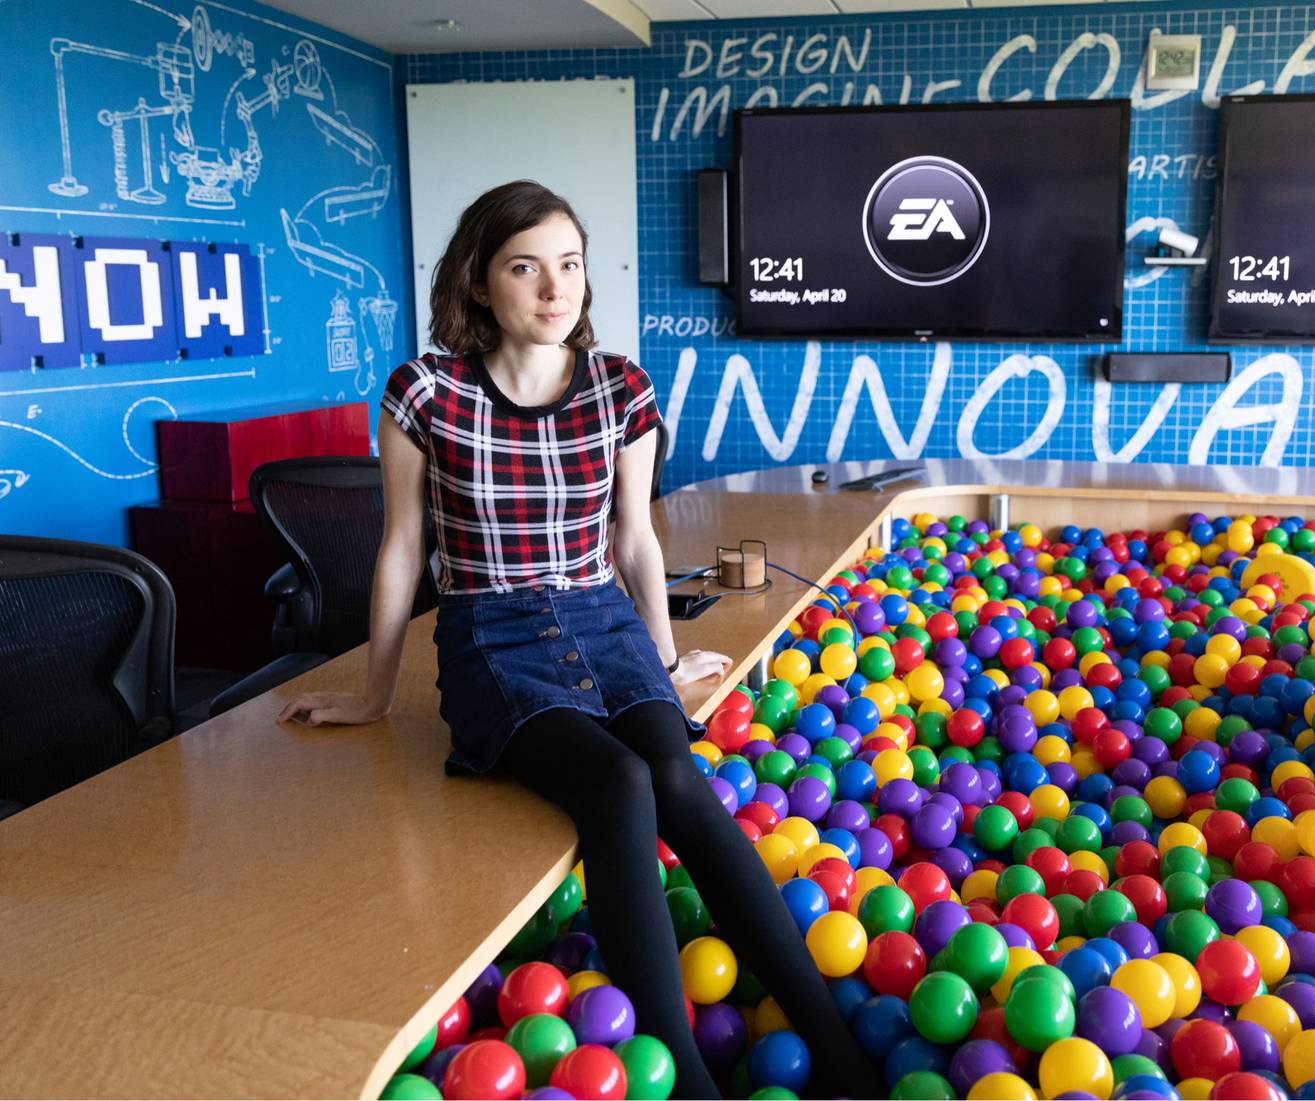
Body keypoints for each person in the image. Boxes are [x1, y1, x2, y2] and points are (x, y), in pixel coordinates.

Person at [276, 180, 884, 1100]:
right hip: (491, 631)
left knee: (675, 771)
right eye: (525, 267)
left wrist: (667, 663)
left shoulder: (618, 387)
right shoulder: (425, 393)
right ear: (481, 284)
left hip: (601, 619)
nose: (554, 288)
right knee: (619, 779)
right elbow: (403, 549)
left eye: (569, 265)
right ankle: (683, 1080)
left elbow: (634, 540)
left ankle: (841, 1056)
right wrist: (373, 693)